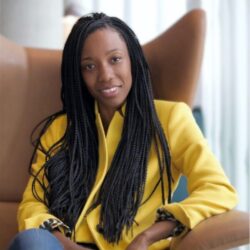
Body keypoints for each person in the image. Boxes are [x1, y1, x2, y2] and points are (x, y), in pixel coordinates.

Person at [8, 13, 238, 250]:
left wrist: (148, 237)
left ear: (132, 60)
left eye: (115, 59)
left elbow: (217, 189)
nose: (105, 75)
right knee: (31, 241)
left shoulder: (171, 119)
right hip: (65, 247)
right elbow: (32, 204)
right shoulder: (61, 129)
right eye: (89, 66)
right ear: (78, 75)